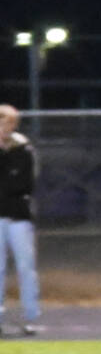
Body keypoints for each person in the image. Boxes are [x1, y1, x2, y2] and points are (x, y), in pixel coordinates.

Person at [0, 104, 42, 338]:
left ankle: (30, 316)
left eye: (7, 124)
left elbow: (24, 184)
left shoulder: (23, 150)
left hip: (18, 215)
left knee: (26, 267)